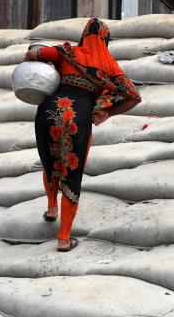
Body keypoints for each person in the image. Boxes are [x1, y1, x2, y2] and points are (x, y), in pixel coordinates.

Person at [23, 18, 141, 252]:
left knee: (51, 161)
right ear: (105, 40)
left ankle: (51, 208)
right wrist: (107, 113)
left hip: (48, 111)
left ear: (84, 35)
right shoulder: (109, 65)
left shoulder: (67, 52)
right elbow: (133, 95)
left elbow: (32, 56)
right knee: (71, 171)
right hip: (79, 117)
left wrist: (47, 61)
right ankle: (64, 238)